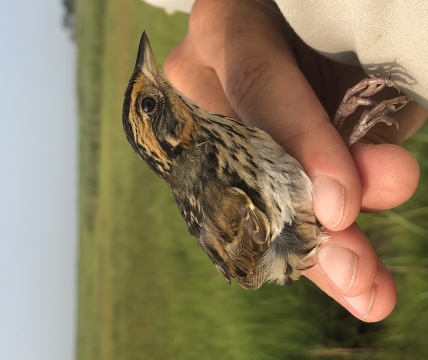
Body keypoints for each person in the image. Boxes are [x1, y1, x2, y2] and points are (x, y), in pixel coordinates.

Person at [147, 0, 428, 321]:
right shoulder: (222, 196)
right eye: (149, 105)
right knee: (333, 193)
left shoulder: (213, 131)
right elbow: (250, 267)